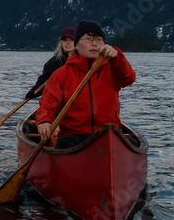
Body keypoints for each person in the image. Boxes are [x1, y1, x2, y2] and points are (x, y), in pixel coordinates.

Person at [35, 20, 135, 150]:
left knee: (133, 143)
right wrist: (44, 120)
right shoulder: (61, 75)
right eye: (88, 39)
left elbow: (128, 78)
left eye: (99, 40)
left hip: (108, 132)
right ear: (76, 45)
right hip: (73, 135)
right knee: (63, 145)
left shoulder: (112, 68)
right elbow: (48, 104)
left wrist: (117, 58)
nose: (94, 43)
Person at [26, 28, 76, 100]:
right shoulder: (54, 62)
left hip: (78, 99)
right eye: (65, 40)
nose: (67, 43)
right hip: (59, 100)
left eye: (71, 40)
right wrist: (33, 92)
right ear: (61, 43)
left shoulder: (83, 60)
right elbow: (43, 81)